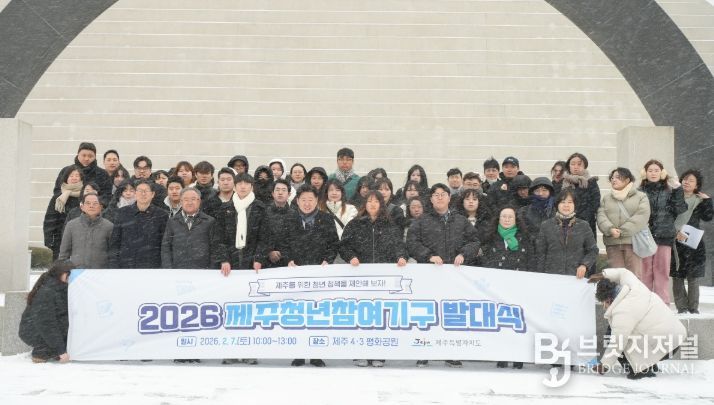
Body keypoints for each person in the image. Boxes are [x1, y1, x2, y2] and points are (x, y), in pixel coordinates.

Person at [407, 184, 479, 368]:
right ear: (431, 199)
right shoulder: (422, 221)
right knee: (428, 315)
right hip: (429, 275)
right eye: (436, 195)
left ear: (449, 197)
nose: (439, 197)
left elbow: (474, 241)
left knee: (450, 315)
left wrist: (463, 254)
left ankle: (450, 352)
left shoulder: (460, 220)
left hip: (454, 276)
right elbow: (412, 243)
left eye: (443, 194)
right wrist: (428, 256)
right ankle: (424, 351)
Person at [339, 191, 407, 368]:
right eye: (369, 201)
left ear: (381, 204)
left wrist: (401, 256)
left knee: (380, 316)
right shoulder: (355, 224)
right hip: (360, 277)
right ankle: (360, 352)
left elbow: (399, 245)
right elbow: (344, 246)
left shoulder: (390, 225)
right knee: (361, 314)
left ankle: (379, 353)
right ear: (364, 204)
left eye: (376, 201)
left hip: (383, 278)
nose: (373, 204)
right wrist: (351, 257)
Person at [589, 268, 687, 380]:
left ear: (609, 300)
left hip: (663, 344)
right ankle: (650, 363)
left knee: (613, 337)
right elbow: (623, 272)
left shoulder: (622, 312)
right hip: (676, 337)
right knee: (625, 330)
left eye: (603, 303)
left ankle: (642, 371)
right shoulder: (633, 285)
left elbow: (617, 342)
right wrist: (603, 274)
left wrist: (604, 365)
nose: (604, 307)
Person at [287, 184, 339, 368]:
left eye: (311, 200)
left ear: (317, 200)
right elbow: (283, 243)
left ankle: (317, 353)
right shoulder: (290, 218)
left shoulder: (326, 219)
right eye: (303, 200)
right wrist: (288, 259)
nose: (307, 203)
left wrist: (327, 260)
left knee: (317, 315)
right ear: (297, 201)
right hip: (296, 273)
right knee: (298, 314)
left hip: (319, 273)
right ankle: (299, 353)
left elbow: (334, 243)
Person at [480, 206, 529, 369]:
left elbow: (530, 260)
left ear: (516, 220)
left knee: (518, 321)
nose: (507, 219)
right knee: (500, 321)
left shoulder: (524, 237)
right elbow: (485, 261)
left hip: (519, 286)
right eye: (504, 216)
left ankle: (518, 356)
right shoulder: (490, 237)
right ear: (498, 219)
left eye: (510, 217)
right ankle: (502, 355)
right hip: (497, 286)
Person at [638, 159, 687, 305]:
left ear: (662, 173)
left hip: (664, 236)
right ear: (645, 173)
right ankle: (645, 303)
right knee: (645, 272)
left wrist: (678, 190)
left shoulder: (670, 190)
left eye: (656, 170)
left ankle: (662, 304)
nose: (653, 173)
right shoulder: (639, 191)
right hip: (644, 237)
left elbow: (680, 209)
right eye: (650, 170)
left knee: (662, 272)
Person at [671, 169, 712, 314]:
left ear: (697, 185)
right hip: (676, 242)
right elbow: (666, 218)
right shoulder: (673, 198)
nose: (687, 182)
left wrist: (708, 201)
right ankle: (681, 308)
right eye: (685, 179)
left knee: (693, 277)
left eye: (691, 180)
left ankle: (693, 309)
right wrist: (675, 233)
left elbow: (708, 217)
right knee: (677, 277)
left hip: (694, 244)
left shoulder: (700, 201)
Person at [597, 167, 651, 278]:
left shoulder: (641, 196)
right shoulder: (606, 198)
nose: (614, 180)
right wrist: (610, 229)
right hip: (613, 243)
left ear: (627, 180)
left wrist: (622, 231)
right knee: (615, 277)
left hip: (633, 242)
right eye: (612, 178)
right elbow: (601, 216)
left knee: (634, 277)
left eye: (618, 177)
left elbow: (642, 216)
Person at [19, 260, 75, 363]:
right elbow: (47, 323)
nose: (71, 277)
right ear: (60, 273)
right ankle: (40, 353)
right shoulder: (47, 292)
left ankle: (51, 349)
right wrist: (61, 351)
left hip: (44, 328)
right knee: (56, 347)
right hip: (34, 331)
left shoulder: (61, 287)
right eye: (69, 273)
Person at [535, 189, 598, 276]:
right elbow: (540, 253)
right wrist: (541, 275)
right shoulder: (546, 225)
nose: (566, 205)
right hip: (551, 275)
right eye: (562, 202)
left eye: (570, 202)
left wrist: (584, 265)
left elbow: (593, 250)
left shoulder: (584, 226)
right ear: (557, 205)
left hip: (576, 276)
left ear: (575, 205)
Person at [108, 180, 169, 268]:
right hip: (126, 265)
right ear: (135, 193)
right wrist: (113, 264)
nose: (143, 194)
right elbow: (115, 242)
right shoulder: (122, 213)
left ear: (152, 194)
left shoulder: (161, 215)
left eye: (146, 191)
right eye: (140, 191)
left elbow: (164, 244)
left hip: (152, 266)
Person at [213, 173, 266, 272]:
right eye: (240, 183)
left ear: (252, 187)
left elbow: (264, 237)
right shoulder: (225, 208)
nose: (243, 186)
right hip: (230, 261)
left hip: (253, 261)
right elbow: (219, 237)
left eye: (246, 183)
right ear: (234, 187)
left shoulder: (260, 208)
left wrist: (259, 258)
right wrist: (224, 259)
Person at [161, 188, 218, 269]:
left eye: (193, 199)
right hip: (178, 270)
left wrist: (211, 270)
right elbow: (166, 247)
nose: (189, 202)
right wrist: (168, 268)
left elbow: (214, 248)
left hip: (203, 270)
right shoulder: (172, 221)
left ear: (199, 201)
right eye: (186, 200)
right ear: (181, 202)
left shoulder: (209, 221)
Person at [58, 193, 114, 269]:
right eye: (88, 203)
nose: (91, 206)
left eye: (95, 203)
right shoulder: (71, 225)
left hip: (101, 272)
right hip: (77, 272)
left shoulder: (109, 226)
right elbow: (64, 253)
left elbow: (113, 253)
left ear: (101, 207)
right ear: (82, 207)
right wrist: (61, 269)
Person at [52, 142, 112, 207]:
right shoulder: (66, 171)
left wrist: (93, 206)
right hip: (67, 210)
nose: (86, 159)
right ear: (78, 155)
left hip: (93, 210)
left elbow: (106, 196)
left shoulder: (103, 174)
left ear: (95, 157)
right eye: (83, 155)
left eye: (90, 156)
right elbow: (57, 191)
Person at [44, 165, 84, 259]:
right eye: (71, 176)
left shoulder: (85, 196)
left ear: (81, 178)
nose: (74, 178)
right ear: (66, 178)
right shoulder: (58, 197)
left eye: (77, 175)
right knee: (60, 265)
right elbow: (50, 219)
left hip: (81, 239)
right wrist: (49, 239)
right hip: (60, 239)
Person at [254, 179, 295, 269]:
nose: (280, 193)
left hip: (288, 262)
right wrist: (269, 252)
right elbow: (260, 237)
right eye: (277, 190)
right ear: (272, 193)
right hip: (266, 261)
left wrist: (284, 254)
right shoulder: (264, 212)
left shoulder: (294, 214)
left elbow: (295, 240)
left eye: (283, 190)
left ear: (289, 194)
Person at [561, 153, 600, 235]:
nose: (576, 167)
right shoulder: (564, 182)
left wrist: (580, 219)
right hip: (566, 224)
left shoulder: (591, 182)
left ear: (585, 166)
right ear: (569, 166)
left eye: (579, 164)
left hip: (586, 224)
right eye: (573, 164)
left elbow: (595, 204)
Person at [518, 177, 555, 263]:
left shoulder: (556, 212)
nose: (541, 193)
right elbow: (521, 233)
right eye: (537, 191)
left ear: (550, 192)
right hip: (529, 253)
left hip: (551, 254)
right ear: (532, 192)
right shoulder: (523, 211)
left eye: (544, 190)